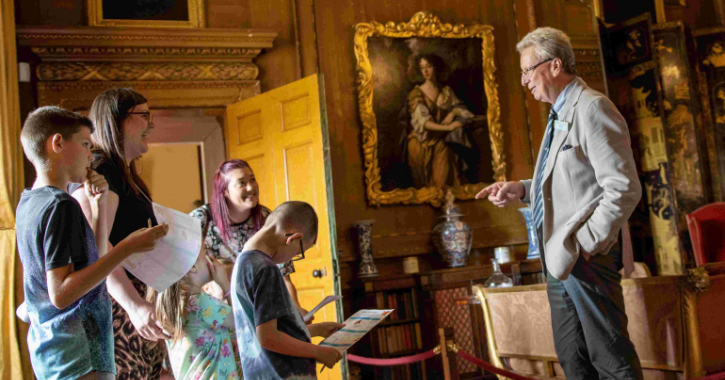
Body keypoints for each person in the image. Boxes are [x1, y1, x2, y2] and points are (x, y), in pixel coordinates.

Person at [476, 27, 644, 379]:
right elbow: (568, 180)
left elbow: (624, 188)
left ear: (554, 65)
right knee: (574, 362)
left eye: (527, 70)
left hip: (586, 258)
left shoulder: (593, 108)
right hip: (559, 259)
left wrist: (586, 244)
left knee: (610, 360)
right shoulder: (558, 113)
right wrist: (521, 189)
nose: (524, 81)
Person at [16, 106, 168, 380]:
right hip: (79, 353)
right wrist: (127, 248)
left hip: (54, 350)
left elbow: (92, 265)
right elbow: (61, 294)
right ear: (58, 143)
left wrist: (99, 212)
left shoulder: (30, 201)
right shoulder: (59, 205)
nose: (90, 154)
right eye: (86, 144)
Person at [71, 88, 172, 379]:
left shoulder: (123, 172)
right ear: (117, 121)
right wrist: (134, 305)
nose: (150, 125)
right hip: (116, 311)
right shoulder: (101, 170)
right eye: (144, 116)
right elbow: (95, 248)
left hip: (133, 308)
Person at [232, 201, 344, 379]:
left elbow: (265, 330)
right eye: (298, 253)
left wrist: (316, 330)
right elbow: (269, 338)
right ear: (293, 239)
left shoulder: (243, 262)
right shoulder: (266, 269)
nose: (292, 258)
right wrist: (318, 352)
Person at [190, 159, 310, 321]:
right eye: (242, 183)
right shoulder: (200, 220)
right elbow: (184, 276)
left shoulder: (267, 219)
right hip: (215, 314)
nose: (251, 187)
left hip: (260, 313)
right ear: (224, 191)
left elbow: (283, 276)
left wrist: (296, 309)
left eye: (252, 179)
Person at [146, 241, 239, 380]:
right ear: (193, 266)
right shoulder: (202, 303)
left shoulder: (173, 308)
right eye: (205, 254)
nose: (210, 259)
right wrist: (226, 285)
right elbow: (242, 321)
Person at [405, 53, 475, 188]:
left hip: (440, 141)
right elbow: (424, 123)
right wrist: (449, 127)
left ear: (436, 67)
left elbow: (465, 112)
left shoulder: (446, 91)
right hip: (421, 142)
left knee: (443, 181)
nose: (425, 71)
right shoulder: (416, 93)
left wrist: (453, 112)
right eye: (422, 67)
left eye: (429, 66)